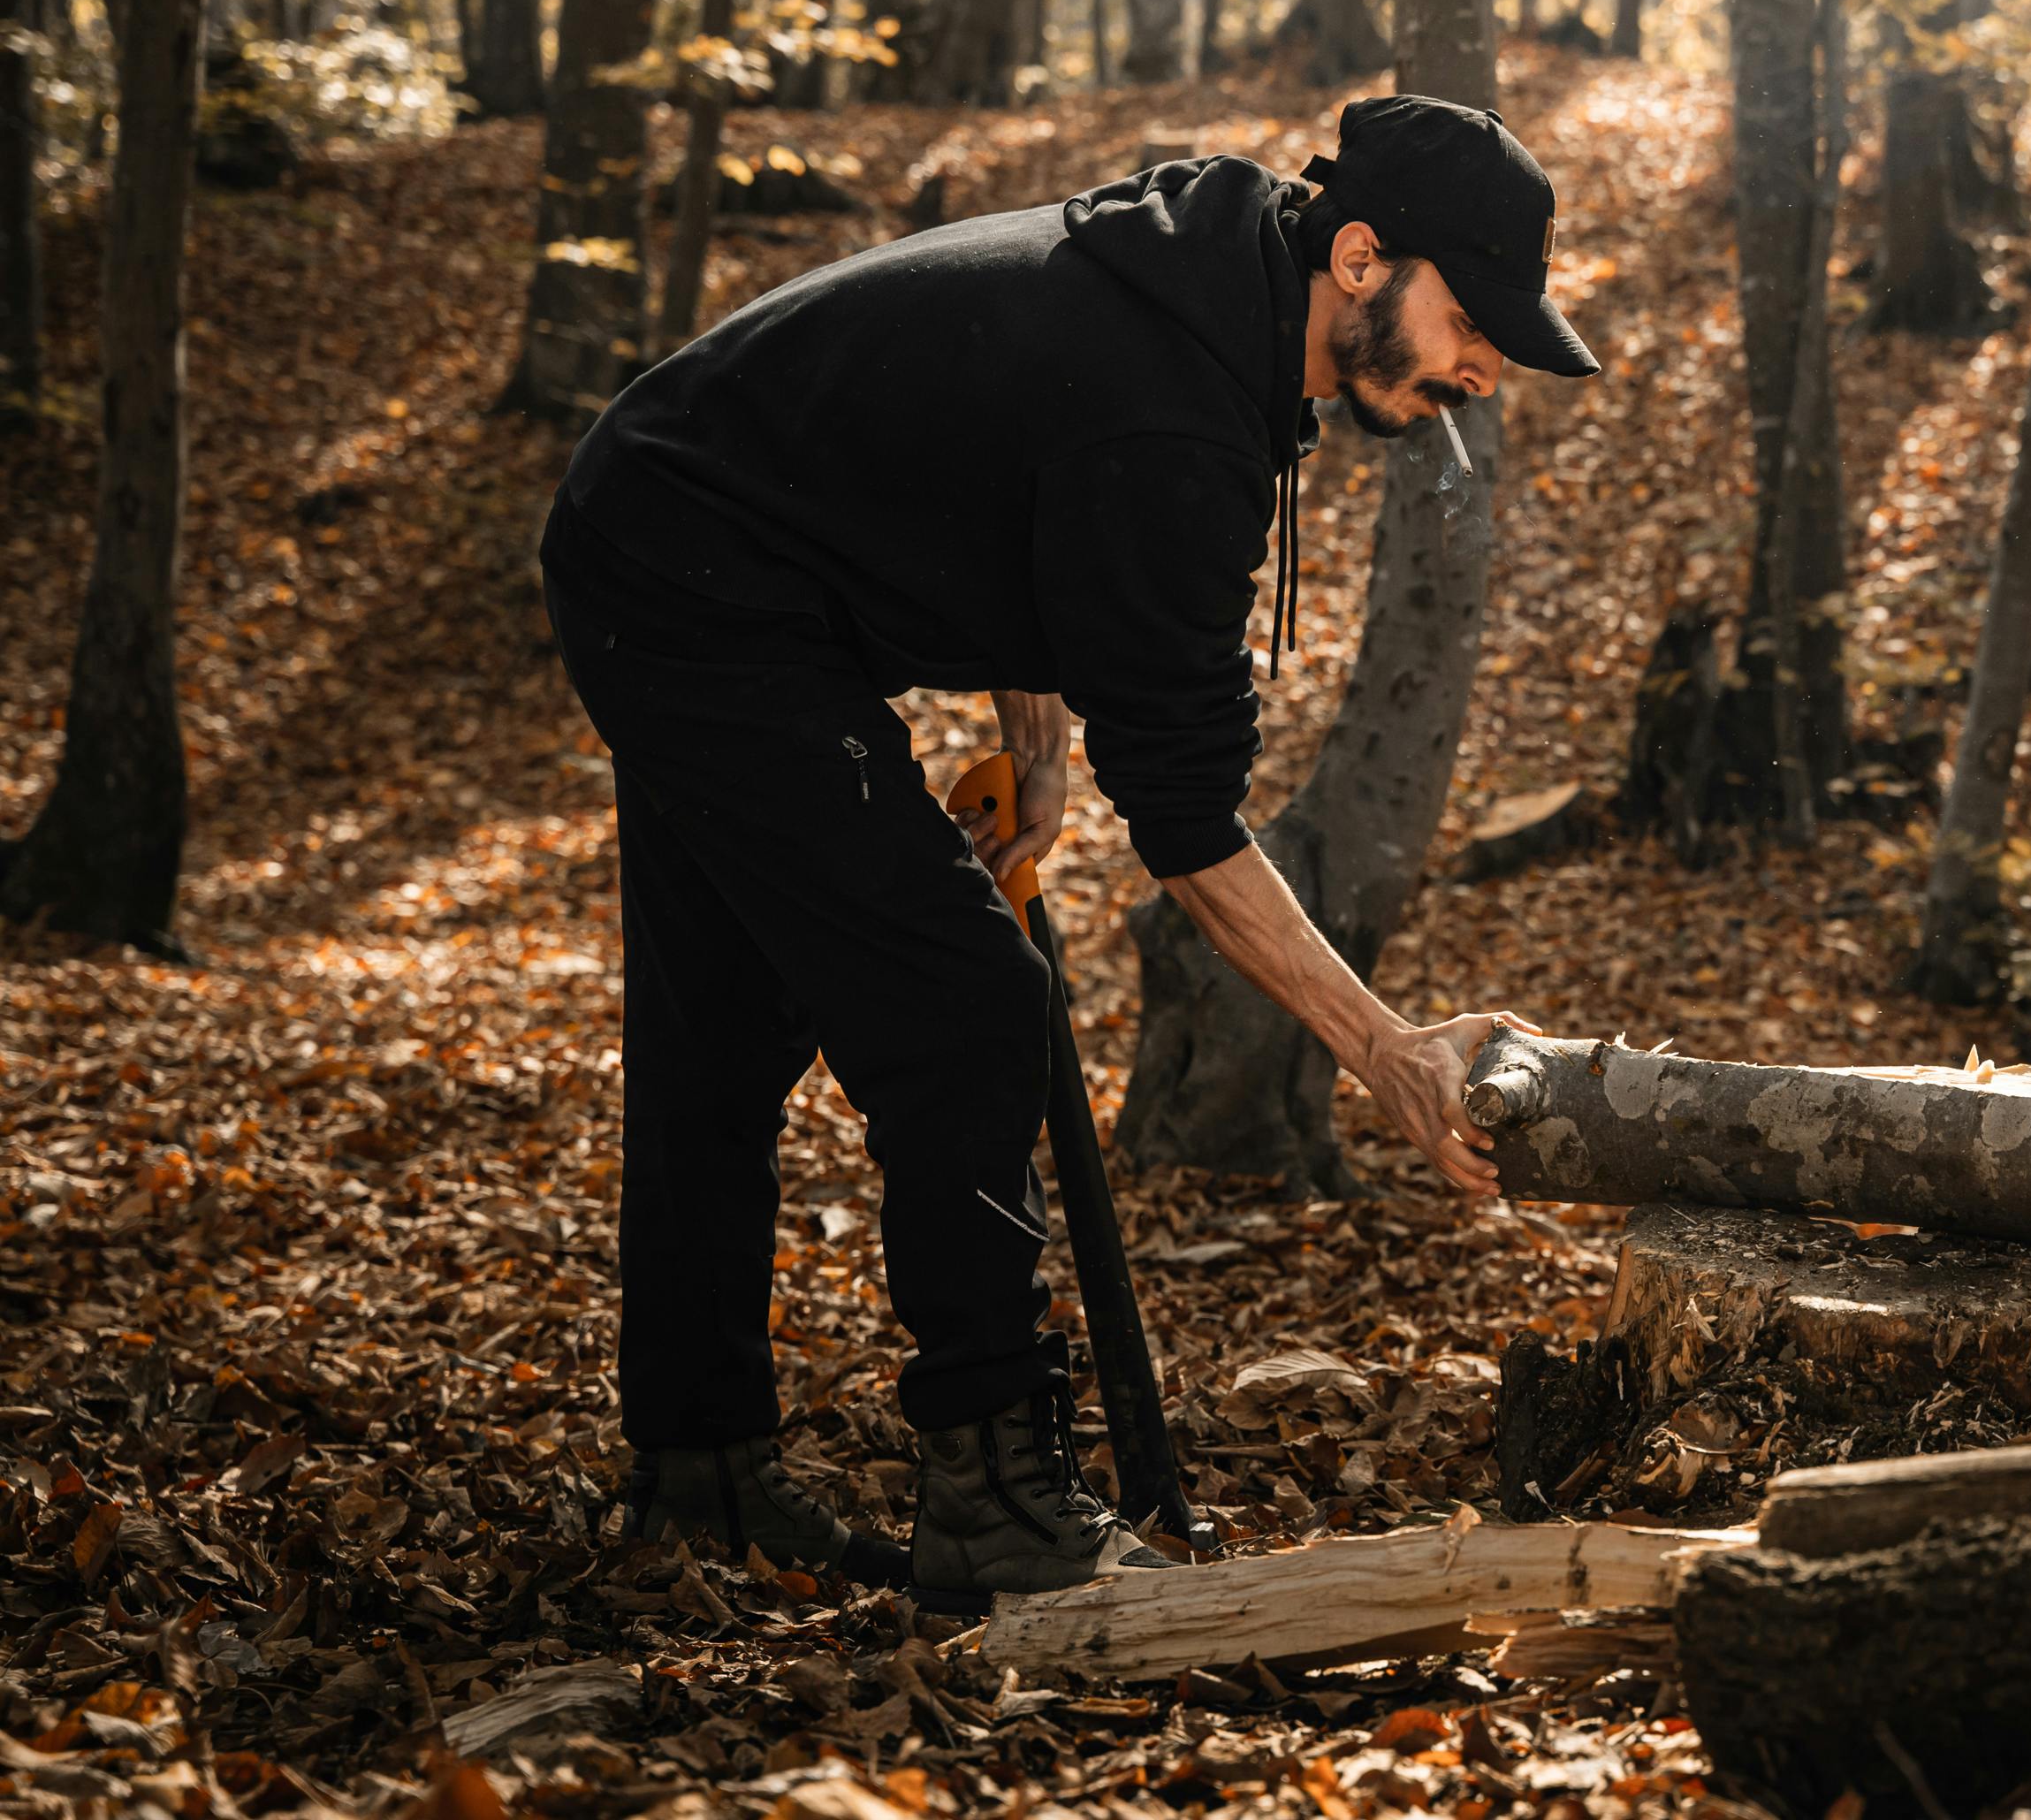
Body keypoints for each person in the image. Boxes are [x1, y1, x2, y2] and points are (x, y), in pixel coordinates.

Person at [537, 95, 1599, 1609]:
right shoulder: (1176, 407)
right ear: (1361, 258)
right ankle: (991, 1501)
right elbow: (1185, 825)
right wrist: (1392, 1054)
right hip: (686, 572)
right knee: (969, 1006)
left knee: (728, 1026)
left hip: (687, 531)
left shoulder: (1195, 284)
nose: (1484, 369)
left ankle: (698, 1473)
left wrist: (1033, 756)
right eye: (1472, 321)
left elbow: (1012, 478)